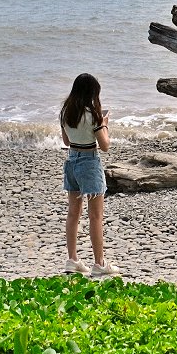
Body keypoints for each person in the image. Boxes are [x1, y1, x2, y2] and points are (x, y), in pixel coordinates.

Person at [60, 73, 121, 277]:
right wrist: (104, 124)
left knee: (73, 213)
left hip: (71, 161)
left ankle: (72, 260)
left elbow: (67, 142)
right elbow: (105, 146)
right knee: (95, 216)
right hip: (89, 162)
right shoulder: (92, 115)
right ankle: (99, 263)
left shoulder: (66, 112)